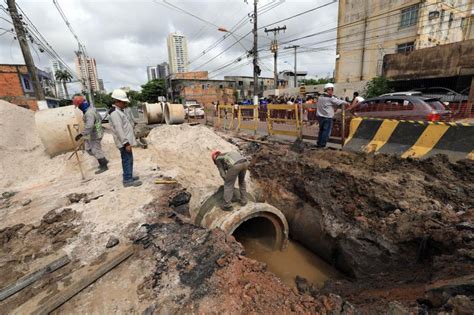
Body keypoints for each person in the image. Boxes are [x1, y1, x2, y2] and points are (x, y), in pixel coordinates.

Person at [109, 89, 142, 187]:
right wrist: (126, 143)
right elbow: (119, 129)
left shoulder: (119, 111)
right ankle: (128, 180)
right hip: (124, 142)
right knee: (127, 160)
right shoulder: (115, 113)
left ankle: (129, 176)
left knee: (128, 159)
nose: (125, 104)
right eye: (124, 102)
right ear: (118, 101)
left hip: (125, 141)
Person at [73, 95, 108, 174]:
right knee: (88, 149)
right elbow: (99, 119)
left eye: (78, 106)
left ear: (81, 105)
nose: (78, 107)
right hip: (92, 134)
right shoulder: (92, 110)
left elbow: (89, 126)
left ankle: (104, 165)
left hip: (96, 133)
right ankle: (103, 160)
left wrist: (81, 134)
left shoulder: (89, 113)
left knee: (96, 150)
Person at [315, 83, 349, 148]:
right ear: (328, 90)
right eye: (331, 90)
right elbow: (340, 102)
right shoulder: (330, 99)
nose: (332, 91)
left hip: (320, 117)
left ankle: (319, 144)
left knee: (321, 130)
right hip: (327, 117)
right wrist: (347, 103)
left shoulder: (320, 97)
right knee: (326, 132)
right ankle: (322, 145)